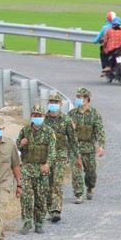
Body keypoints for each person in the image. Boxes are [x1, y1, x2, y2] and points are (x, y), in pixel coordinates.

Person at [16, 104, 56, 234]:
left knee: (40, 197)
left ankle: (39, 223)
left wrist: (48, 164)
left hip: (41, 169)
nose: (37, 118)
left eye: (39, 115)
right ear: (31, 116)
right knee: (26, 196)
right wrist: (21, 144)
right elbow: (17, 147)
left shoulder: (49, 132)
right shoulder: (25, 130)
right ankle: (27, 222)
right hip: (27, 168)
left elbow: (52, 151)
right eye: (35, 115)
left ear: (43, 117)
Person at [43, 92, 80, 223]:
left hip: (61, 156)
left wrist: (77, 157)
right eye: (51, 102)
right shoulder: (43, 120)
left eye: (56, 102)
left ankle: (56, 210)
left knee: (57, 183)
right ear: (48, 104)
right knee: (46, 184)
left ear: (60, 104)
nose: (53, 104)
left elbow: (73, 140)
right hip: (45, 157)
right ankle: (50, 209)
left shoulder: (66, 120)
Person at [69, 87, 106, 202]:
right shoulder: (72, 114)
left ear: (86, 98)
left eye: (80, 97)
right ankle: (78, 194)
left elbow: (99, 130)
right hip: (75, 148)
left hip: (89, 148)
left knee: (90, 172)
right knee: (76, 172)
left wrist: (101, 146)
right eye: (77, 97)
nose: (78, 99)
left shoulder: (94, 114)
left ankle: (90, 187)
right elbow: (65, 130)